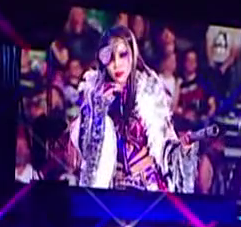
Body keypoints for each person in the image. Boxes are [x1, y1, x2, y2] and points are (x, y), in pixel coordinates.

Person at [63, 25, 196, 192]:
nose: (116, 64)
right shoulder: (94, 98)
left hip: (149, 190)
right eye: (110, 57)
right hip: (111, 193)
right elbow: (87, 159)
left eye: (122, 55)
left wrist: (183, 149)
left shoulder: (150, 94)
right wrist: (98, 113)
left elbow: (165, 153)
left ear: (133, 54)